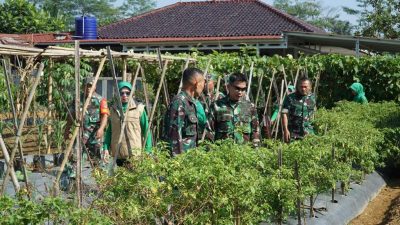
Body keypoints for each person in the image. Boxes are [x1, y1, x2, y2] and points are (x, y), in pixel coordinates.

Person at [102, 81, 152, 167]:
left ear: (131, 94)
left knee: (134, 179)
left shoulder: (139, 109)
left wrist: (148, 149)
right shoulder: (113, 110)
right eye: (121, 93)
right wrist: (105, 148)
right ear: (117, 94)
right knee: (119, 179)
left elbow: (146, 130)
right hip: (118, 154)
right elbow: (109, 132)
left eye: (127, 93)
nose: (124, 95)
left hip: (134, 155)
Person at [64, 77, 109, 162]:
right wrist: (67, 129)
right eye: (87, 86)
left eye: (91, 86)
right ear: (83, 87)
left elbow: (105, 115)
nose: (88, 88)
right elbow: (71, 115)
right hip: (81, 133)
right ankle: (73, 174)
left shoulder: (101, 100)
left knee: (98, 157)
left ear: (95, 87)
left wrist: (101, 129)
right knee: (75, 156)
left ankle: (100, 174)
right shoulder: (77, 100)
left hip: (95, 133)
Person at [208, 72, 260, 146]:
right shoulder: (217, 106)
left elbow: (255, 132)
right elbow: (209, 131)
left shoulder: (250, 107)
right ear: (229, 86)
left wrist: (255, 149)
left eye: (243, 89)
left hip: (244, 153)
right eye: (237, 88)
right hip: (221, 152)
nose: (240, 92)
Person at [164, 68, 205, 156]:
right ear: (196, 83)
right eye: (203, 83)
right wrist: (178, 162)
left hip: (190, 159)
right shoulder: (179, 102)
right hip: (181, 161)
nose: (203, 86)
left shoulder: (190, 103)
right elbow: (174, 135)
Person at [282, 77, 316, 143]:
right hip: (294, 133)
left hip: (309, 132)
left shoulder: (312, 97)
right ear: (298, 87)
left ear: (310, 87)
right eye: (301, 87)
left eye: (305, 87)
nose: (303, 89)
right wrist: (285, 130)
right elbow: (284, 114)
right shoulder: (290, 98)